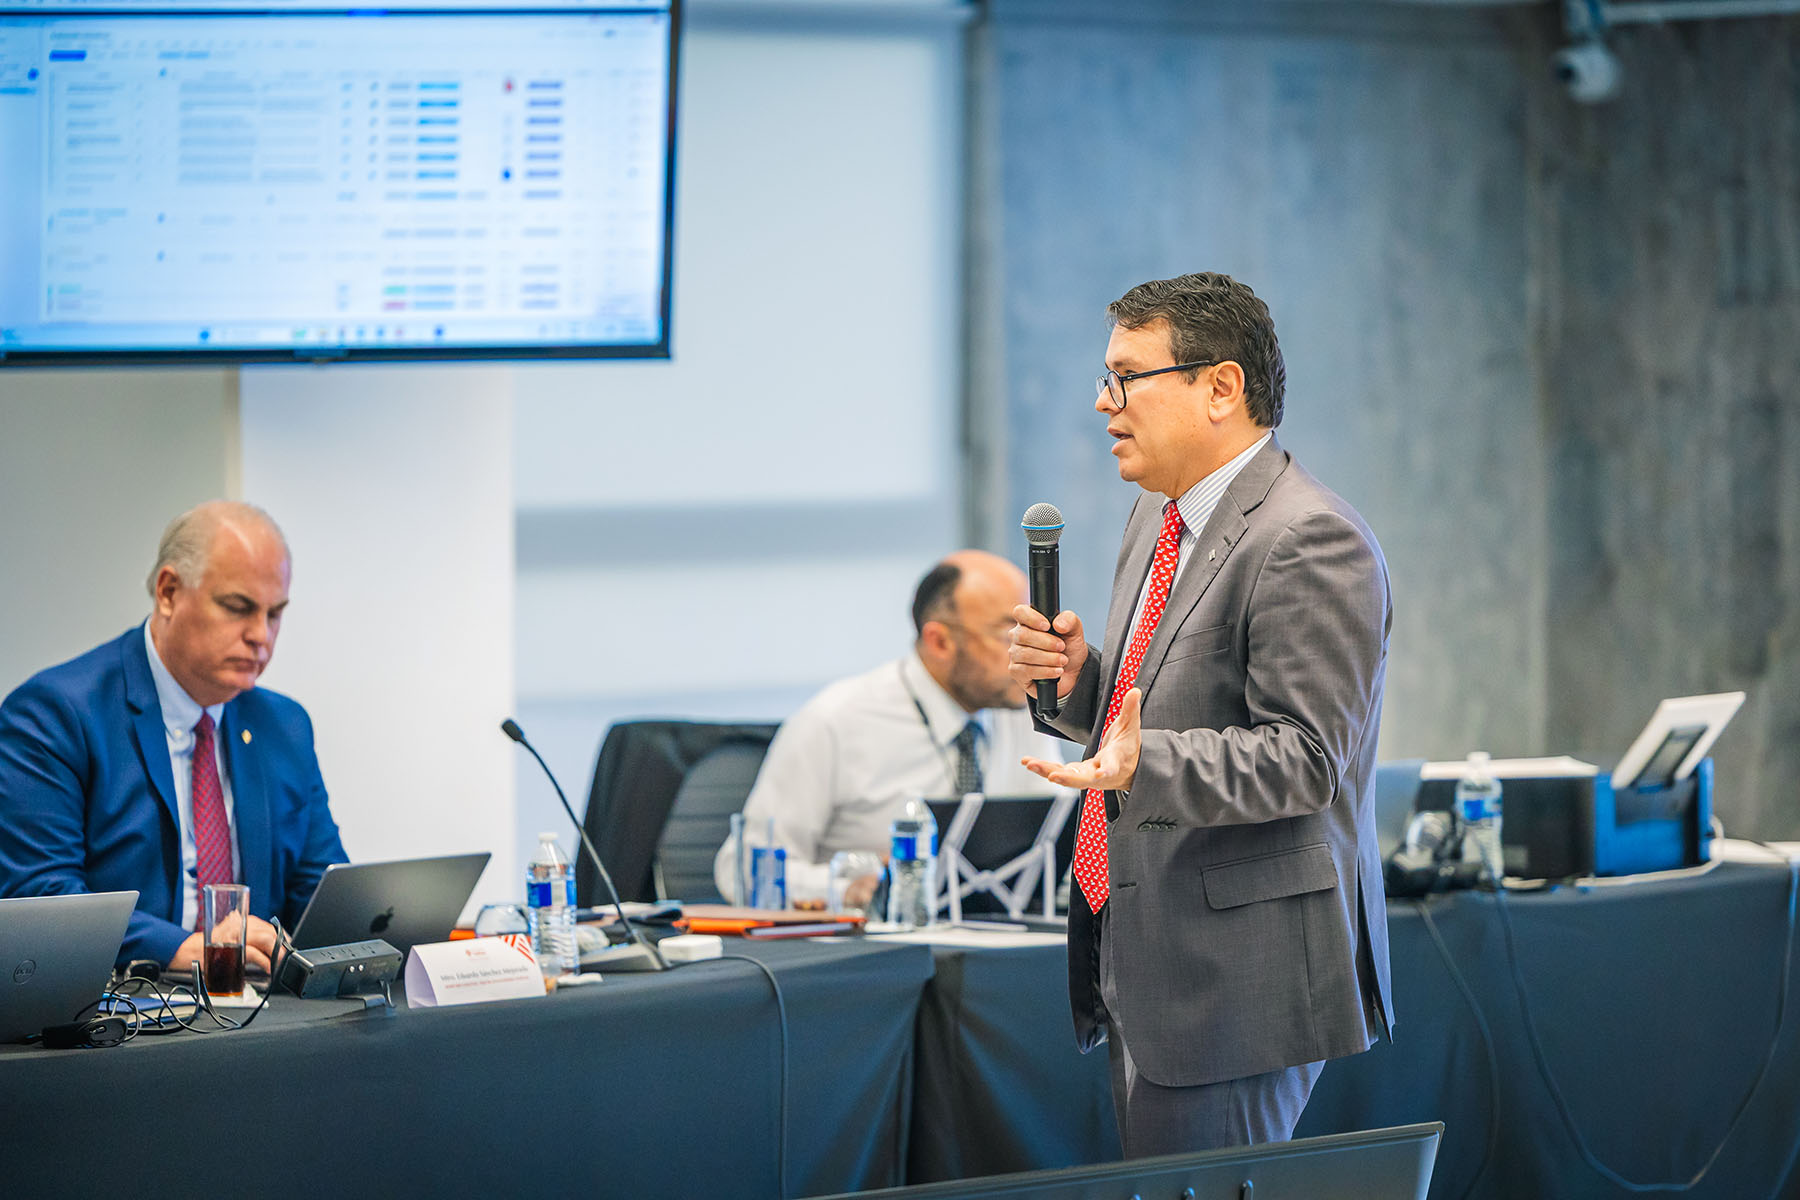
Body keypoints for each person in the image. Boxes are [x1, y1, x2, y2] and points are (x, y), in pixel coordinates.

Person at [1008, 272, 1394, 1155]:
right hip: (1148, 956)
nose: (1103, 403)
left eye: (1126, 378)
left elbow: (1305, 758)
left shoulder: (1308, 537)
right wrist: (1078, 685)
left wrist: (1146, 762)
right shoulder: (1158, 517)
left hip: (1237, 983)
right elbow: (1157, 704)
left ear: (1221, 387)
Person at [0, 501, 347, 971]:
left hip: (259, 1015)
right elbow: (43, 901)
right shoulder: (56, 713)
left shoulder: (284, 726)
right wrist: (187, 950)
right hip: (121, 1016)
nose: (260, 635)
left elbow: (320, 895)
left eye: (274, 614)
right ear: (168, 592)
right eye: (238, 607)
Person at [714, 550, 1070, 909]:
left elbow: (1049, 844)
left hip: (1001, 939)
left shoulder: (1020, 710)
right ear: (940, 642)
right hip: (875, 948)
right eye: (1007, 634)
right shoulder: (837, 721)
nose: (1027, 652)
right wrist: (852, 886)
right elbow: (741, 869)